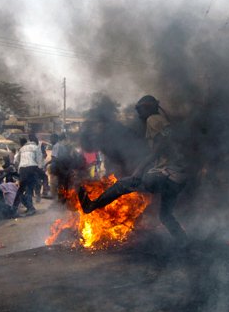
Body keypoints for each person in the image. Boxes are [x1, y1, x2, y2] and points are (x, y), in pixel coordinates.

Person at [78, 95, 189, 247]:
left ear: (149, 107)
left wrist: (140, 168)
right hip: (178, 178)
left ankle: (91, 206)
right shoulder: (162, 122)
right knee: (165, 216)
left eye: (140, 109)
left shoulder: (153, 119)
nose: (138, 113)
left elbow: (161, 146)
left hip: (168, 176)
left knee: (122, 185)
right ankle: (185, 243)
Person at [12, 133, 42, 216]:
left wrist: (19, 169)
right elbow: (38, 161)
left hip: (22, 170)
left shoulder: (22, 149)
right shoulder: (36, 147)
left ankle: (14, 209)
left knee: (21, 190)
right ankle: (30, 208)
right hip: (32, 170)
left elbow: (16, 161)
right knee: (30, 189)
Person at [49, 133, 72, 203]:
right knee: (61, 184)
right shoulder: (62, 146)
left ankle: (53, 199)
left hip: (57, 168)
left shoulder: (56, 146)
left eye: (51, 139)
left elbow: (54, 158)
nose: (50, 141)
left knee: (53, 183)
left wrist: (47, 164)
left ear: (56, 139)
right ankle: (61, 200)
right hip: (63, 168)